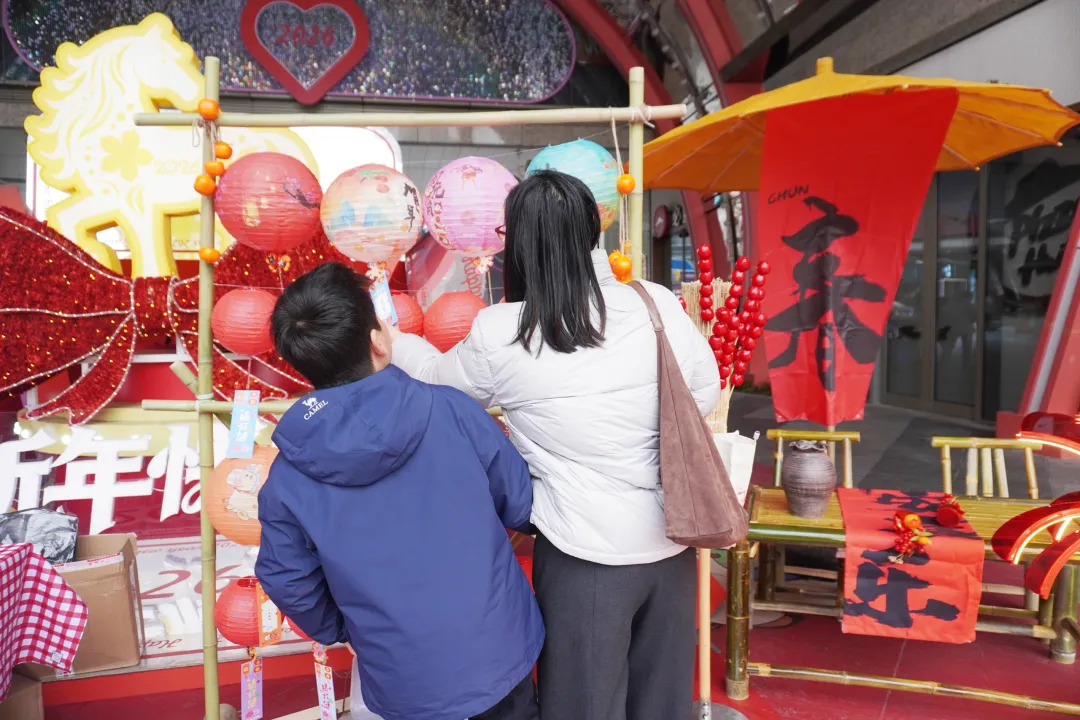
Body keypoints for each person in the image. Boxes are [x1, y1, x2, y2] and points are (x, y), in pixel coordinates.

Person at [391, 170, 720, 720]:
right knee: (663, 705)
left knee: (583, 705)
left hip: (582, 555)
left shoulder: (502, 331)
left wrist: (394, 340)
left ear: (517, 242)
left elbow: (436, 383)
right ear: (593, 228)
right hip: (674, 540)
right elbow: (703, 393)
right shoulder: (655, 303)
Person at [254, 262, 544, 720]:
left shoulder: (287, 479)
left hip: (401, 675)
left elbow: (287, 579)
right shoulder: (453, 411)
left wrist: (347, 627)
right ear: (378, 340)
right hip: (498, 653)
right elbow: (521, 505)